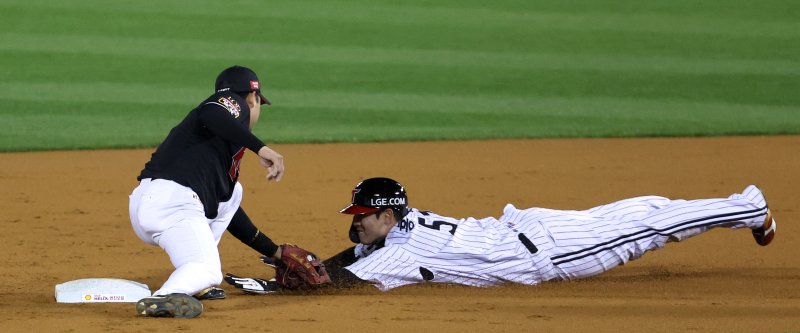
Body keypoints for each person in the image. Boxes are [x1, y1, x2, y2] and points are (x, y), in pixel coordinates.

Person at [225, 177, 776, 293]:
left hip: (550, 250)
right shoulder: (402, 225)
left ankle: (748, 207)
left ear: (389, 217)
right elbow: (355, 251)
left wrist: (270, 284)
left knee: (648, 223)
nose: (356, 221)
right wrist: (317, 258)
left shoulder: (403, 250)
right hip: (526, 227)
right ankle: (742, 207)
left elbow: (339, 282)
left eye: (364, 214)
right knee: (641, 208)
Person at [129, 65, 302, 318]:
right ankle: (165, 297)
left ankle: (197, 283)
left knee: (233, 194)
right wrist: (261, 148)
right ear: (253, 97)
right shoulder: (236, 103)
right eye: (258, 103)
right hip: (173, 203)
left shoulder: (219, 146)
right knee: (210, 269)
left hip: (156, 203)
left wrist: (274, 252)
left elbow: (230, 214)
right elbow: (211, 112)